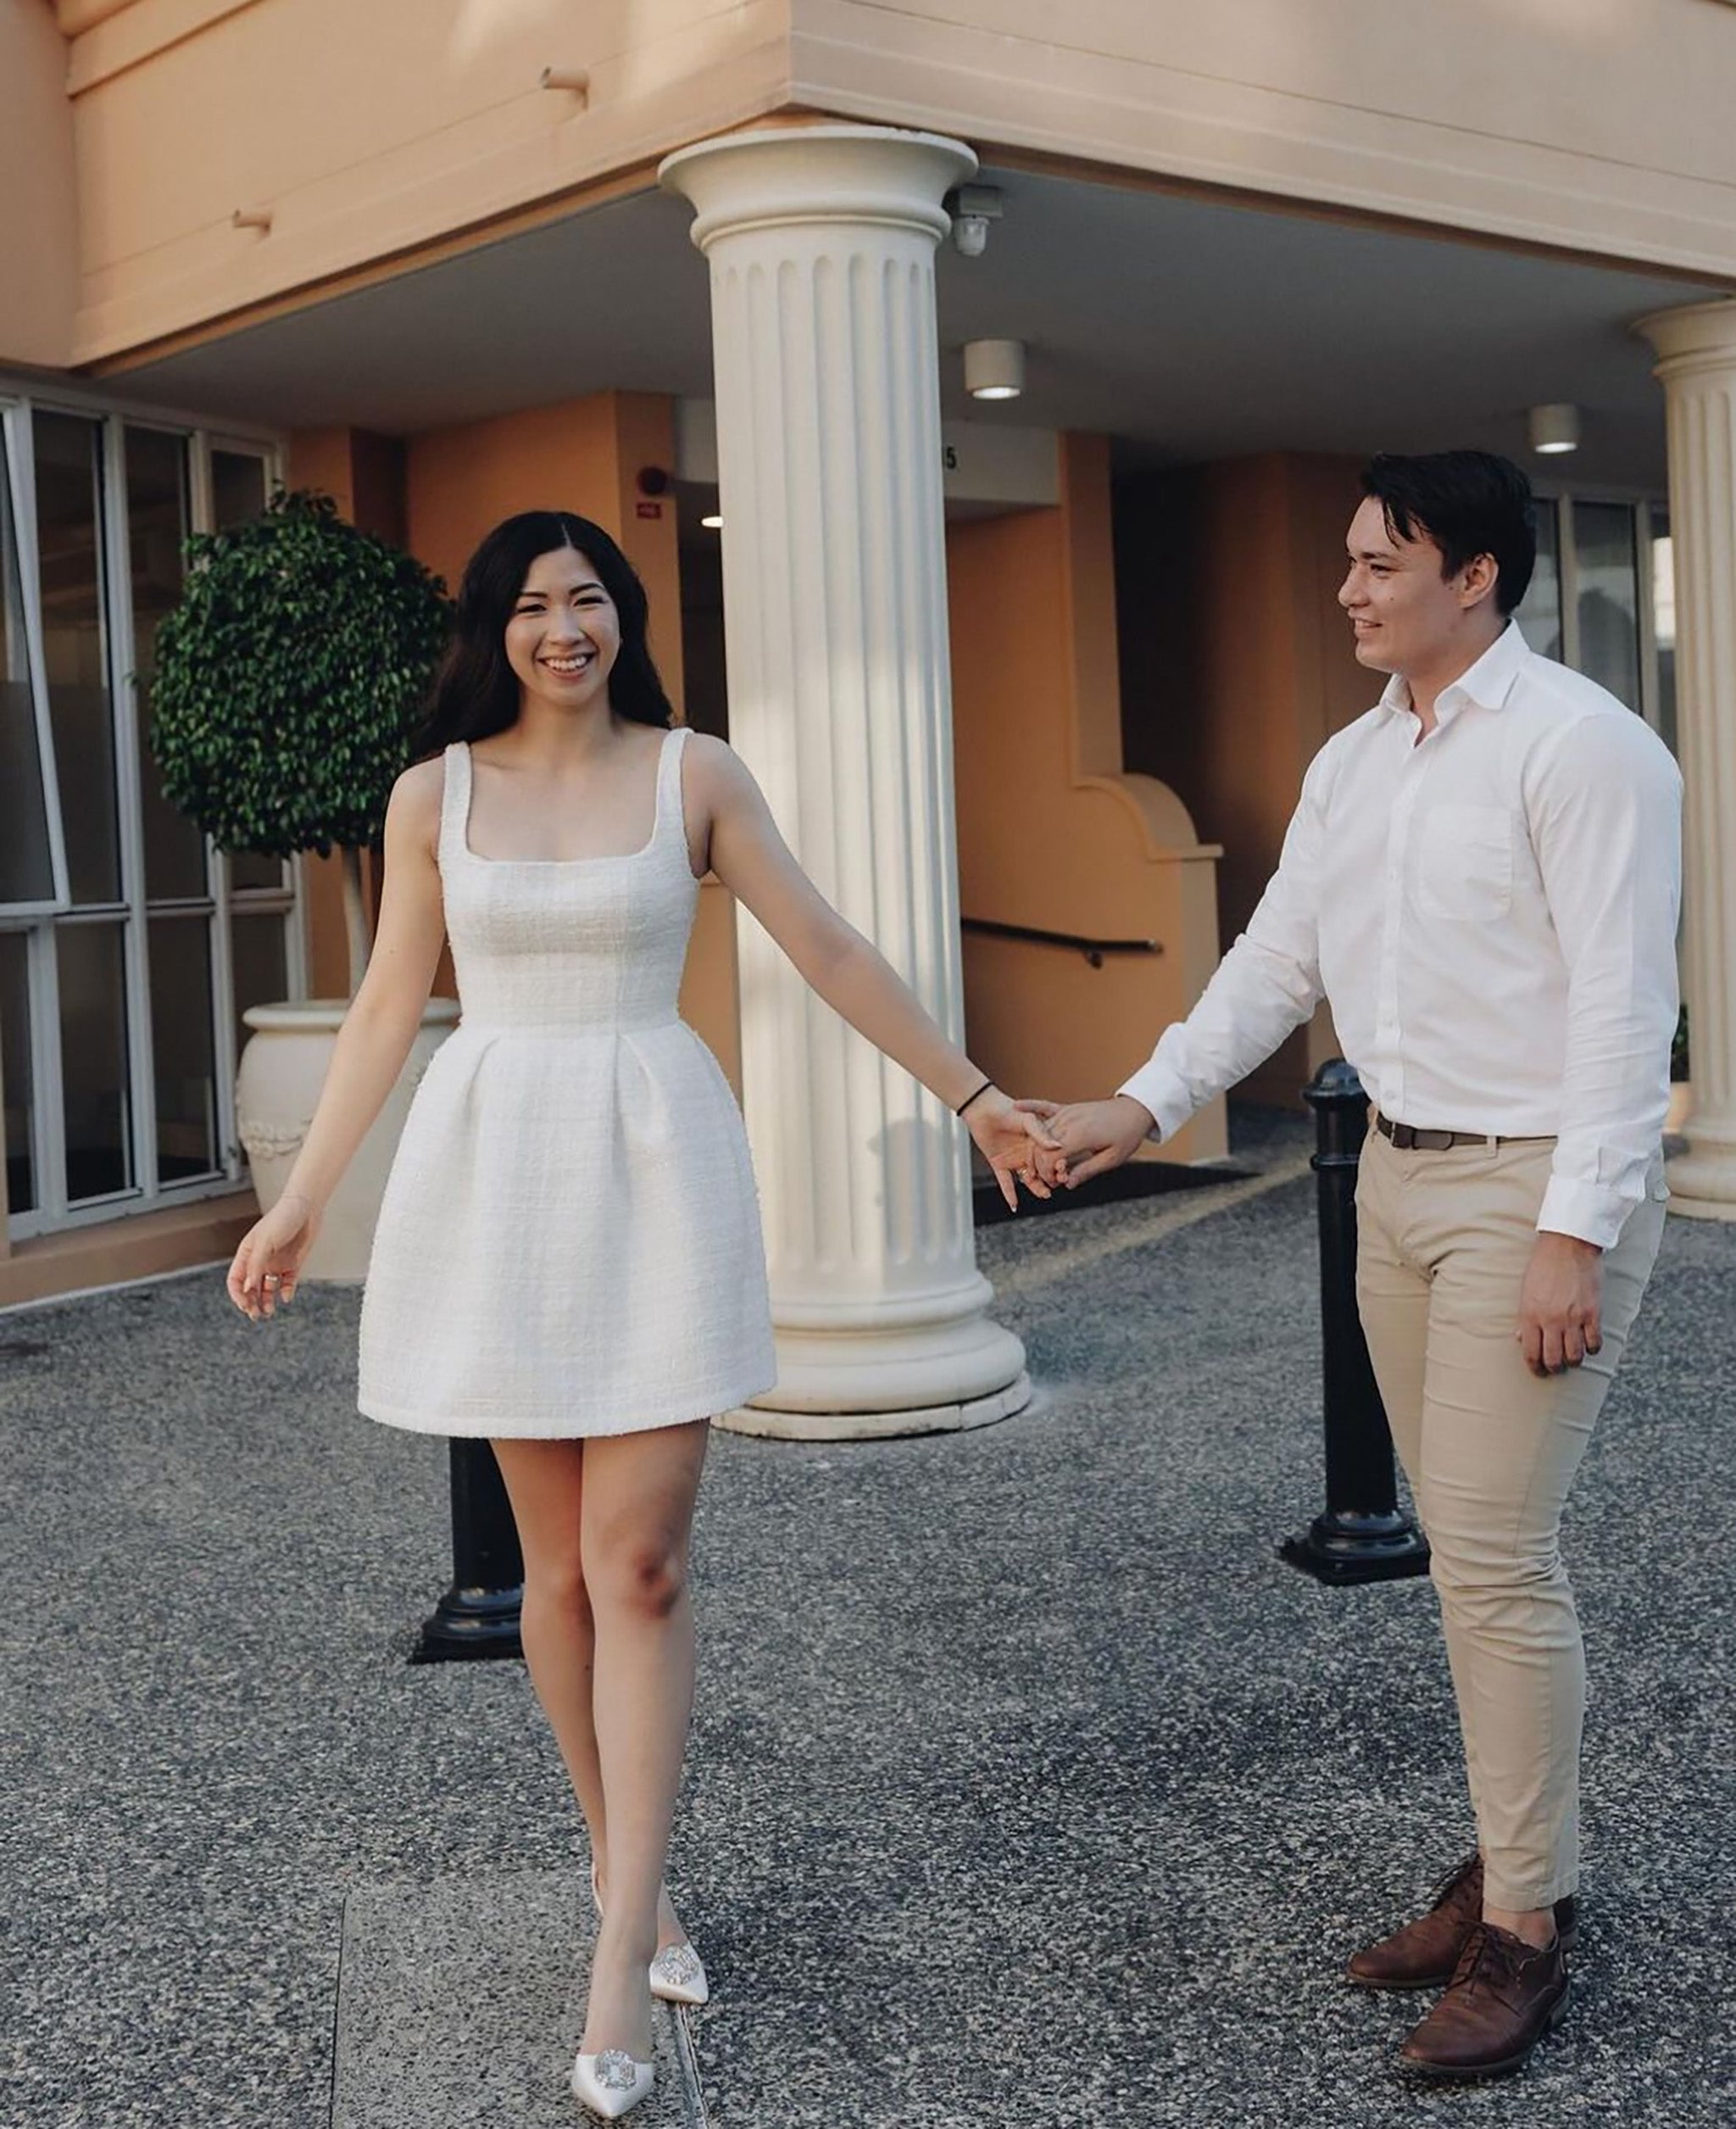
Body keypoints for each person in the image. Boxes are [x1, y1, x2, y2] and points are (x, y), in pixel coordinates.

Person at [225, 510, 1055, 2121]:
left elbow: (819, 941)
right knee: (550, 1575)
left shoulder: (695, 774)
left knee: (644, 1565)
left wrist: (975, 1097)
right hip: (497, 1174)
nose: (562, 629)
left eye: (588, 599)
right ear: (493, 627)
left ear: (625, 617)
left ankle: (614, 1952)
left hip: (659, 1164)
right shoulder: (432, 797)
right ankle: (635, 1883)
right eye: (532, 605)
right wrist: (302, 1197)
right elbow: (394, 1000)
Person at [1029, 452, 1682, 2082]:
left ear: (1473, 576)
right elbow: (1276, 961)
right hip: (1394, 1178)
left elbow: (1622, 1008)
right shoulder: (1353, 763)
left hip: (1530, 1186)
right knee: (1470, 1562)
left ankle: (1524, 1925)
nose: (1348, 588)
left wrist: (1571, 1237)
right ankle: (1517, 1867)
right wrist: (1145, 1099)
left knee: (1490, 1557)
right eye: (1347, 560)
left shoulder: (1587, 751)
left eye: (1381, 563)